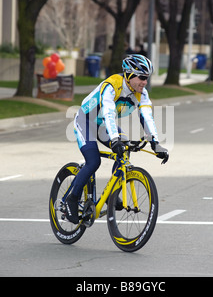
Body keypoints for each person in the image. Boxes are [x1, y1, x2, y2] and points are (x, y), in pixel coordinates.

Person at [65, 54, 169, 224]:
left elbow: (147, 117)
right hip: (86, 121)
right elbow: (108, 112)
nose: (145, 82)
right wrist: (115, 139)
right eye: (141, 77)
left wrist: (155, 143)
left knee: (125, 151)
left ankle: (112, 193)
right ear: (128, 74)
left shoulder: (141, 94)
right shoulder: (112, 85)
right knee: (93, 161)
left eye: (147, 78)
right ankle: (72, 198)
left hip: (103, 125)